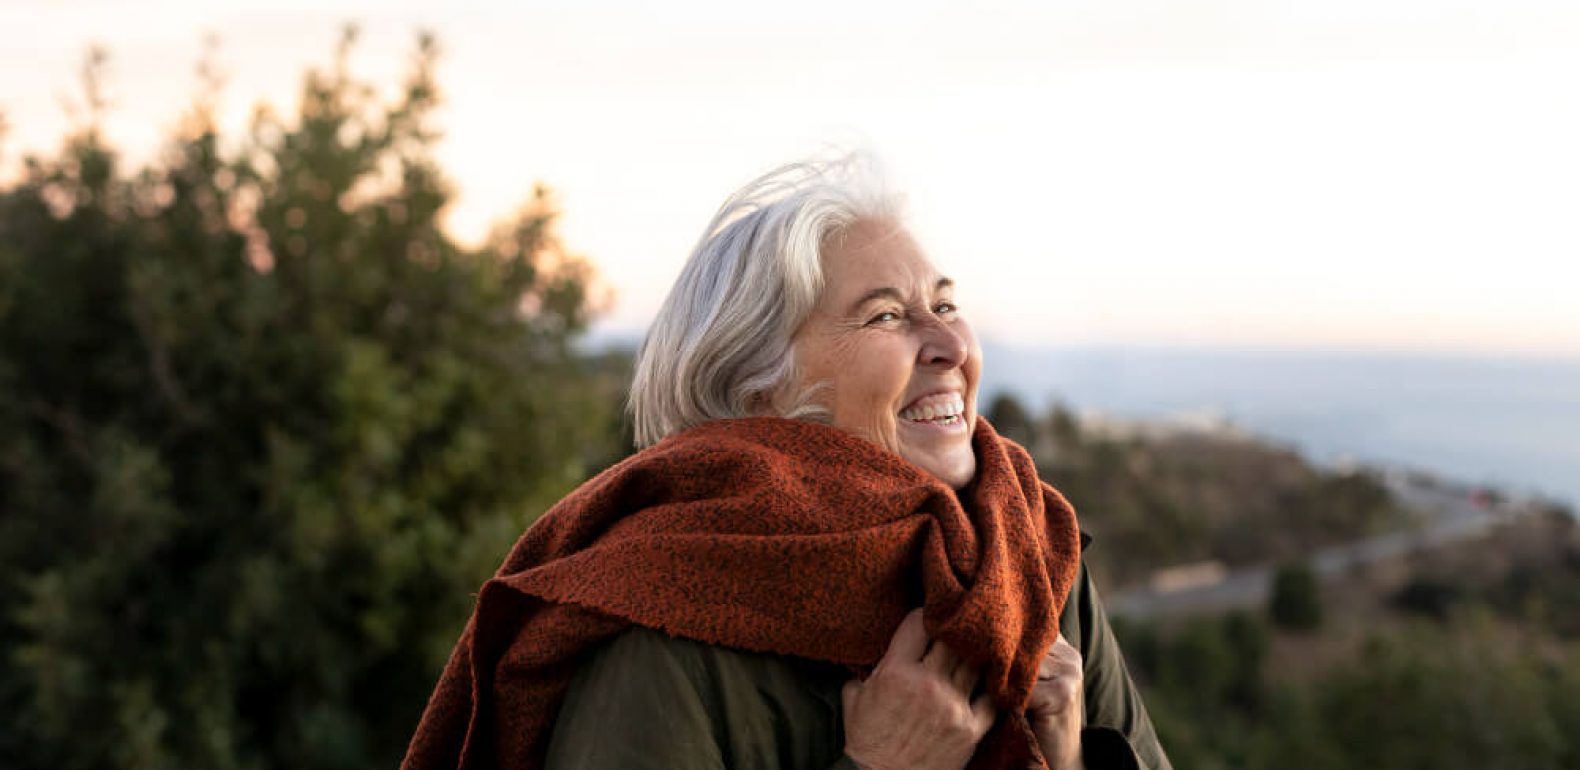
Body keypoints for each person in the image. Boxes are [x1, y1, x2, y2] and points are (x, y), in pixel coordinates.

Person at [401, 155, 1171, 770]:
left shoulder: (1029, 557)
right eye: (885, 316)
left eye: (942, 304)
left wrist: (1069, 755)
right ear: (759, 386)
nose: (949, 346)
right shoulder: (661, 620)